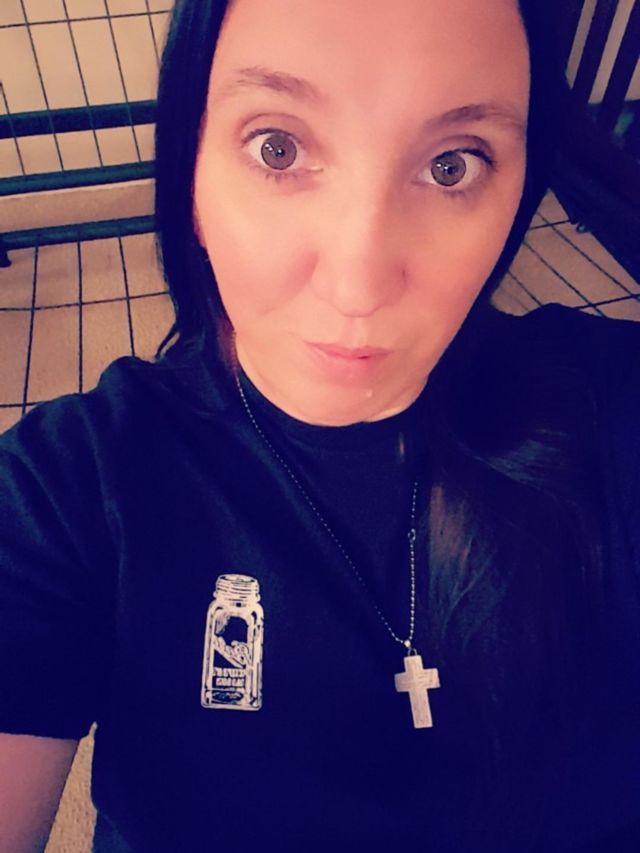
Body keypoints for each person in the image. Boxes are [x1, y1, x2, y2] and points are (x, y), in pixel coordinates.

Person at [0, 0, 638, 850]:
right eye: (279, 148)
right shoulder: (64, 495)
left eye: (451, 165)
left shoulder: (609, 406)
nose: (358, 283)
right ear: (190, 177)